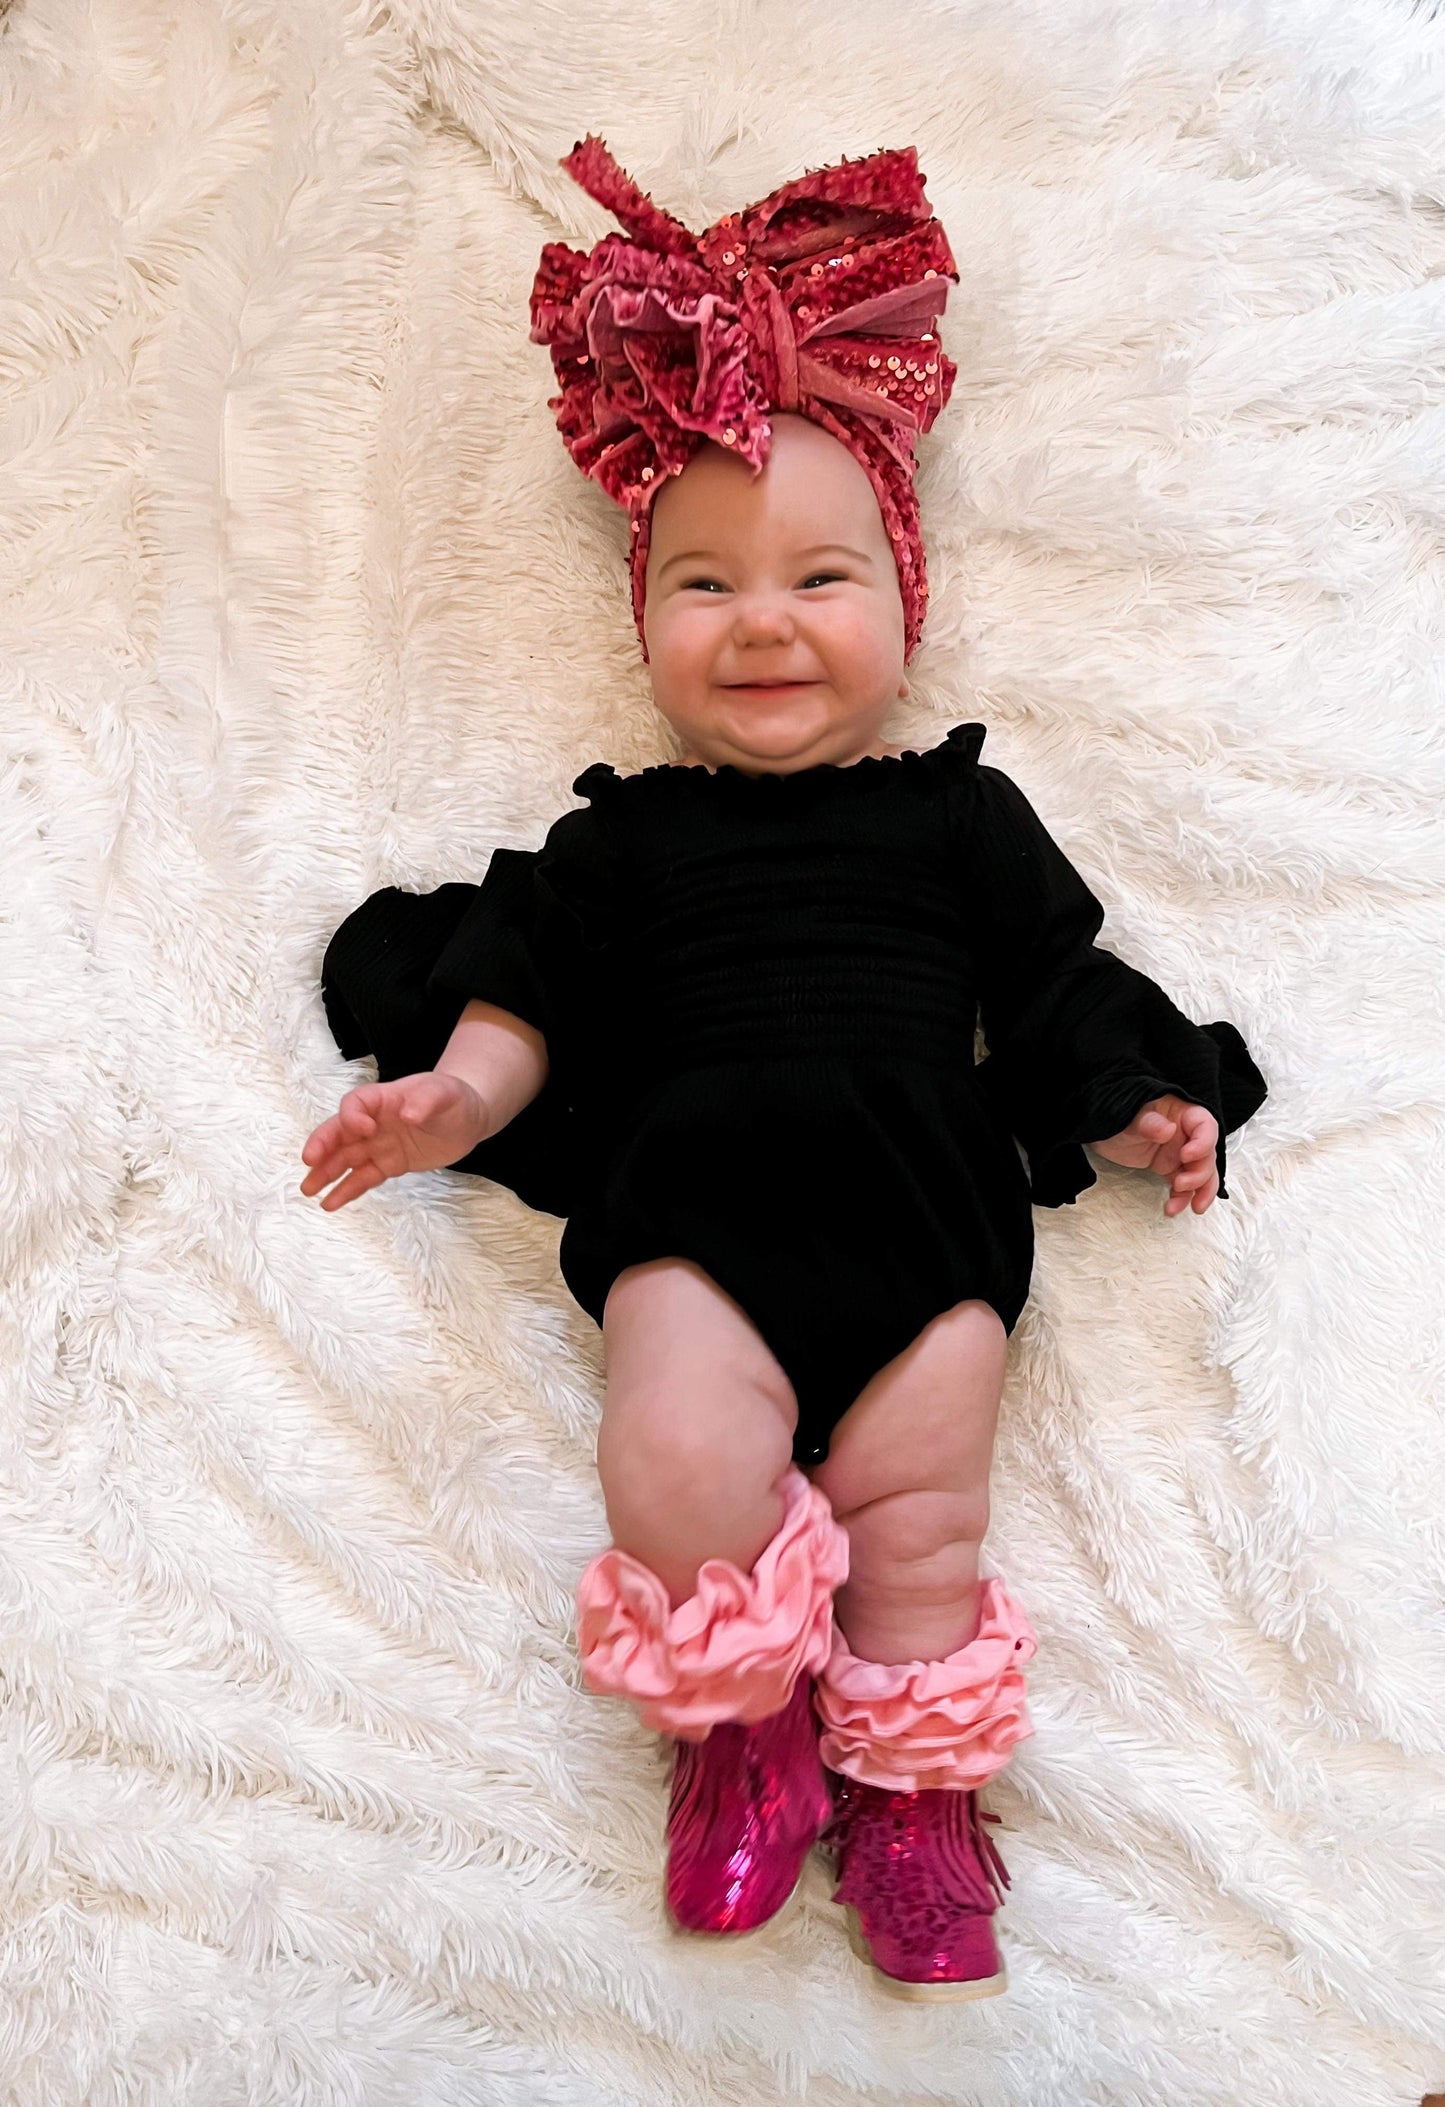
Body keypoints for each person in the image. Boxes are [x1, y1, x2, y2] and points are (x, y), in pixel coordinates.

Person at [299, 139, 1268, 2002]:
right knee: (671, 1459)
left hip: (925, 1227)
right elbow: (519, 1000)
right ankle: (740, 1730)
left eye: (821, 576)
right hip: (697, 1226)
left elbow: (1054, 987)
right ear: (640, 624)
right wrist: (454, 1098)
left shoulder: (957, 816)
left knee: (923, 1517)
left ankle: (912, 1789)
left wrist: (1134, 1103)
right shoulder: (620, 840)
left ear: (906, 605)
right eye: (701, 583)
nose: (761, 620)